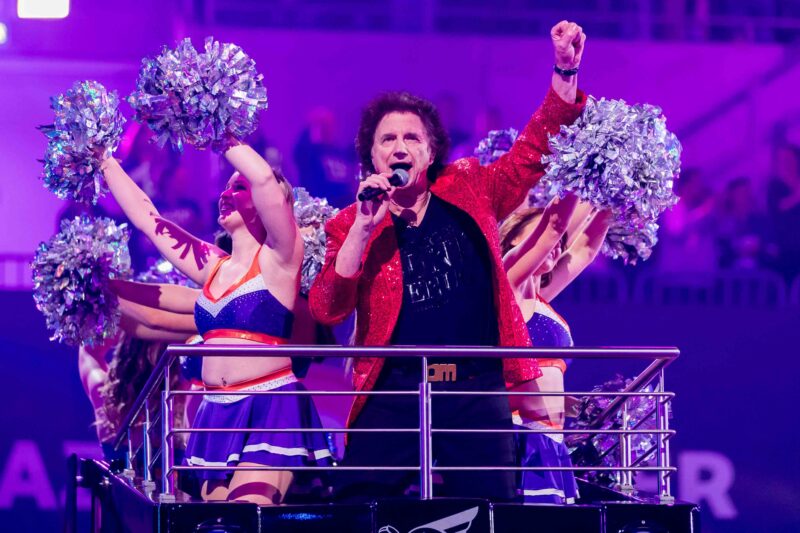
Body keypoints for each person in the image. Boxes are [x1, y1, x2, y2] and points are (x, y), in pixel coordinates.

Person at [309, 21, 588, 500]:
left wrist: (565, 71)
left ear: (431, 149)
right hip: (393, 390)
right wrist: (363, 227)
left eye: (412, 138)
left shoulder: (470, 187)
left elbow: (533, 151)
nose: (400, 147)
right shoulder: (351, 222)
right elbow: (327, 308)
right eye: (387, 139)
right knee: (359, 507)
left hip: (475, 389)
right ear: (371, 155)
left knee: (490, 513)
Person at [99, 139, 330, 504]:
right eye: (225, 187)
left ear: (268, 204)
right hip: (216, 413)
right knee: (216, 525)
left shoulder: (281, 258)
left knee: (244, 518)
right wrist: (105, 162)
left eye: (238, 188)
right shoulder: (213, 267)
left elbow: (265, 180)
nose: (225, 194)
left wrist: (219, 132)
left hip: (269, 407)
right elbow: (149, 221)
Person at [498, 197, 611, 503]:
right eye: (547, 235)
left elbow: (585, 249)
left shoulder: (540, 296)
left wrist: (618, 193)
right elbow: (553, 232)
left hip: (551, 440)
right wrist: (582, 185)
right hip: (521, 438)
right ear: (513, 241)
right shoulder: (508, 285)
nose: (557, 244)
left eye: (560, 242)